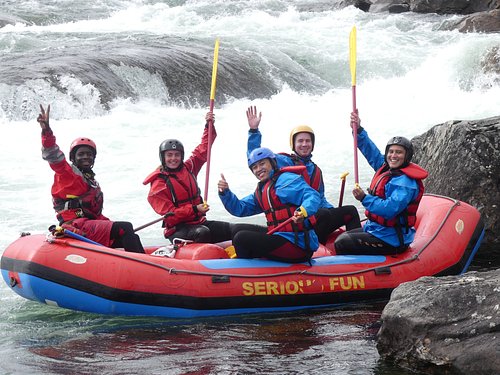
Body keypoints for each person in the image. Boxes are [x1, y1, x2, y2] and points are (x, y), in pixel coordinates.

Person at [144, 112, 265, 244]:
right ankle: (202, 261)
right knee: (202, 232)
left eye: (177, 155)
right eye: (169, 155)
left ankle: (271, 235)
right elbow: (170, 217)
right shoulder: (158, 184)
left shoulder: (189, 167)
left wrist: (209, 126)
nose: (173, 158)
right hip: (178, 230)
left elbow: (204, 148)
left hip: (200, 222)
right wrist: (195, 209)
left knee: (236, 229)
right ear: (163, 157)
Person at [246, 106, 361, 245]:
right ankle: (318, 249)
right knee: (323, 214)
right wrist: (254, 131)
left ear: (312, 144)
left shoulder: (316, 170)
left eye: (308, 141)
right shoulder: (282, 161)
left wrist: (333, 211)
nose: (304, 144)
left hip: (314, 217)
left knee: (349, 211)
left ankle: (354, 248)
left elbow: (320, 197)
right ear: (293, 145)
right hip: (296, 221)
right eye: (300, 141)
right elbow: (256, 157)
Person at [37, 104, 145, 253]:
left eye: (89, 154)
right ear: (73, 158)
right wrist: (46, 131)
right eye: (81, 154)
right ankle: (139, 269)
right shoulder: (68, 173)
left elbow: (95, 214)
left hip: (88, 223)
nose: (86, 157)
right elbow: (53, 155)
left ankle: (142, 268)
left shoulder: (92, 182)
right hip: (75, 225)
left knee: (131, 235)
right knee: (125, 227)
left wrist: (109, 223)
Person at [334, 111, 429, 255]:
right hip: (377, 230)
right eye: (391, 152)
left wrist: (364, 198)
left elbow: (390, 209)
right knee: (344, 236)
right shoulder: (386, 167)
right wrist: (358, 130)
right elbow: (370, 151)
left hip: (392, 239)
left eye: (399, 152)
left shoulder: (405, 183)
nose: (393, 156)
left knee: (341, 242)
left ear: (407, 156)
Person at [218, 147, 321, 263]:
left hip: (297, 245)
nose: (258, 169)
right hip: (281, 237)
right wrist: (225, 192)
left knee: (241, 238)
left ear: (272, 163)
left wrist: (303, 211)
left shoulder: (286, 180)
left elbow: (312, 195)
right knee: (238, 229)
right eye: (255, 167)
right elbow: (239, 208)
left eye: (262, 164)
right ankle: (250, 265)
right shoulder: (262, 190)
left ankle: (246, 272)